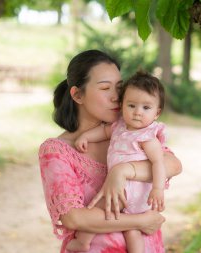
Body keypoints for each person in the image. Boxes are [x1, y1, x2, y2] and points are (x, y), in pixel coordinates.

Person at [38, 49, 182, 253]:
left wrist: (121, 171)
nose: (116, 97)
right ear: (78, 95)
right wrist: (140, 221)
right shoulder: (56, 151)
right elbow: (73, 218)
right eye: (105, 88)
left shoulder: (130, 131)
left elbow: (172, 164)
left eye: (119, 88)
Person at [66, 71, 169, 252]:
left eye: (146, 108)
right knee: (132, 231)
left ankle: (82, 242)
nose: (137, 112)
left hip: (130, 189)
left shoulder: (147, 137)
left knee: (98, 208)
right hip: (128, 192)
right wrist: (86, 137)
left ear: (157, 112)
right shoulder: (119, 126)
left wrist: (158, 189)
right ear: (122, 105)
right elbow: (104, 133)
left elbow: (158, 163)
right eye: (131, 105)